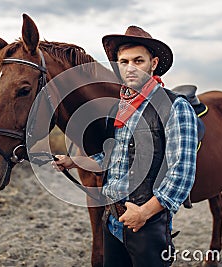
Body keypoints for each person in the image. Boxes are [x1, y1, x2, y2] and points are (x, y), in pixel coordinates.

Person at [53, 26, 198, 267]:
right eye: (124, 61)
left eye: (138, 61)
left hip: (146, 224)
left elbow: (181, 175)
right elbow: (109, 158)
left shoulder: (175, 107)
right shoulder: (120, 108)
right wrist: (73, 161)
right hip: (112, 219)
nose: (130, 67)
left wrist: (144, 213)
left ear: (153, 64)